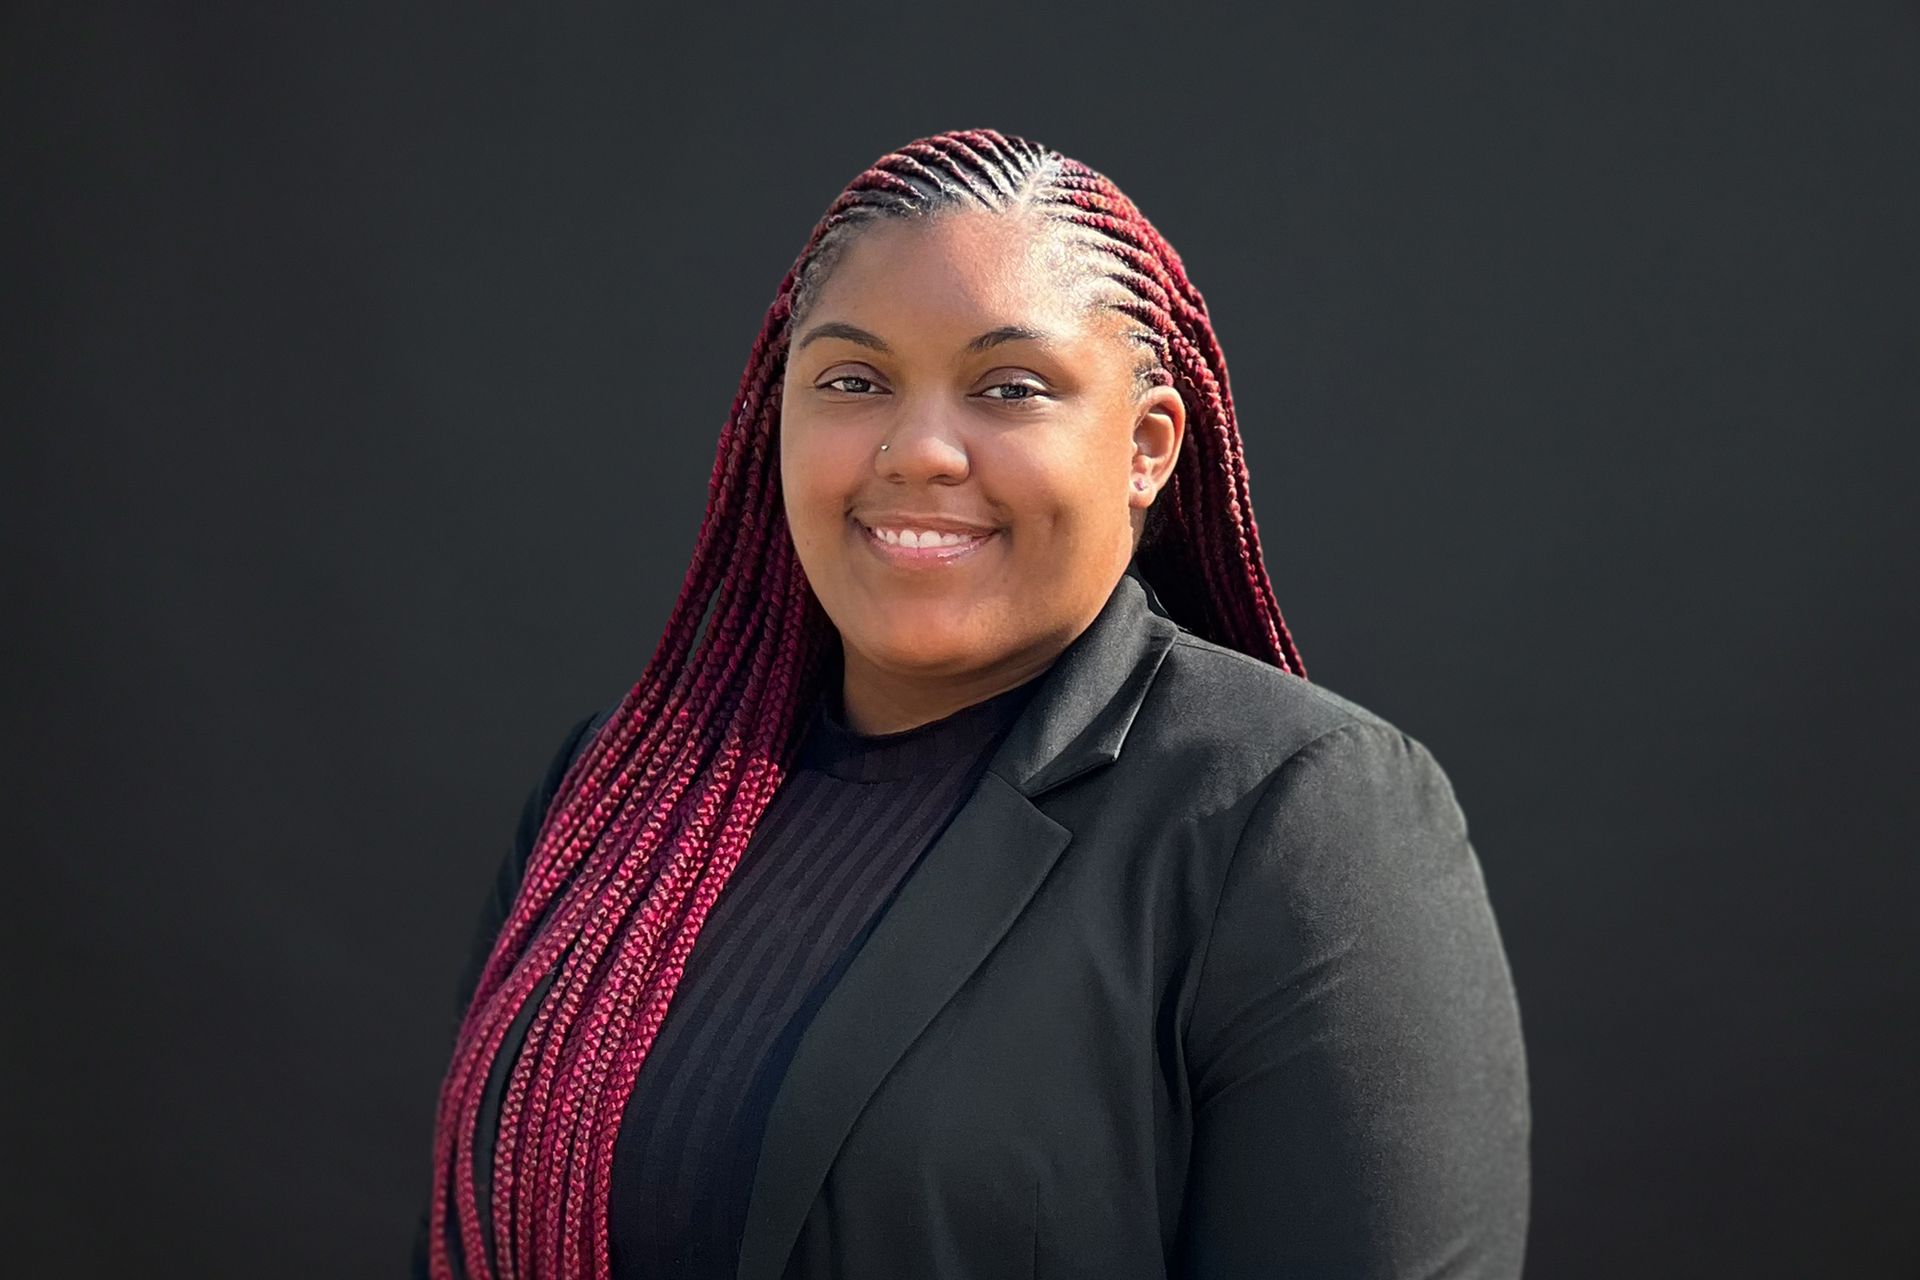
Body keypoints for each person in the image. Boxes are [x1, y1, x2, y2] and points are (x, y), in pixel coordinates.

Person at [414, 127, 1530, 1280]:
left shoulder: (1293, 820)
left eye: (1010, 386)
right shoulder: (626, 795)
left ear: (1147, 446)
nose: (919, 450)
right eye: (853, 380)